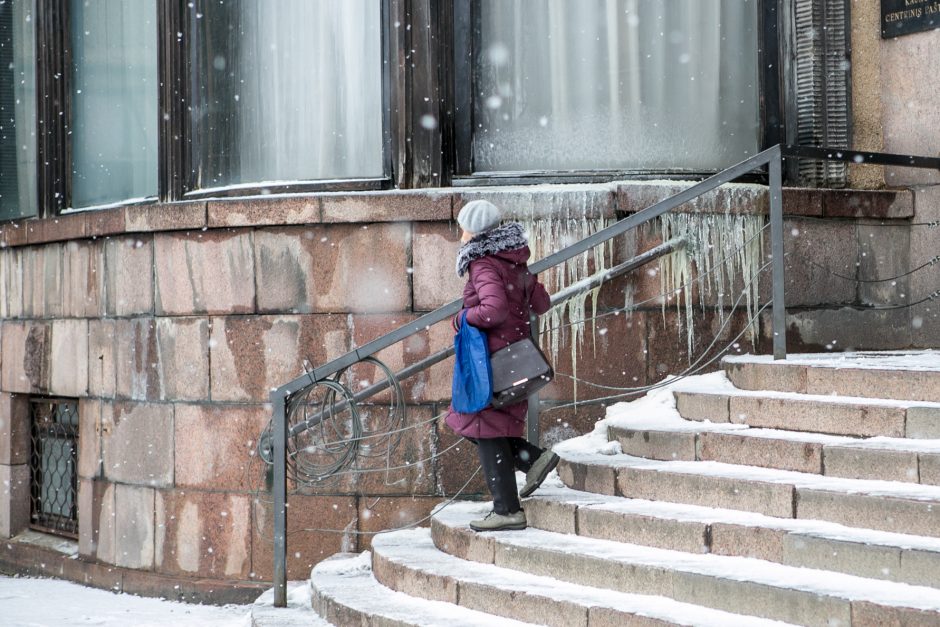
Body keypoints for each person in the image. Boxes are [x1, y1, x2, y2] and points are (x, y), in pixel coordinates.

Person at [445, 199, 560, 532]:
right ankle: (531, 459)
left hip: (491, 362)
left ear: (473, 230)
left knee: (480, 424)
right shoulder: (514, 259)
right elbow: (542, 302)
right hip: (516, 357)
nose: (461, 232)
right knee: (484, 426)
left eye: (463, 226)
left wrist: (463, 317)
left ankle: (508, 509)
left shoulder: (482, 263)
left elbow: (493, 310)